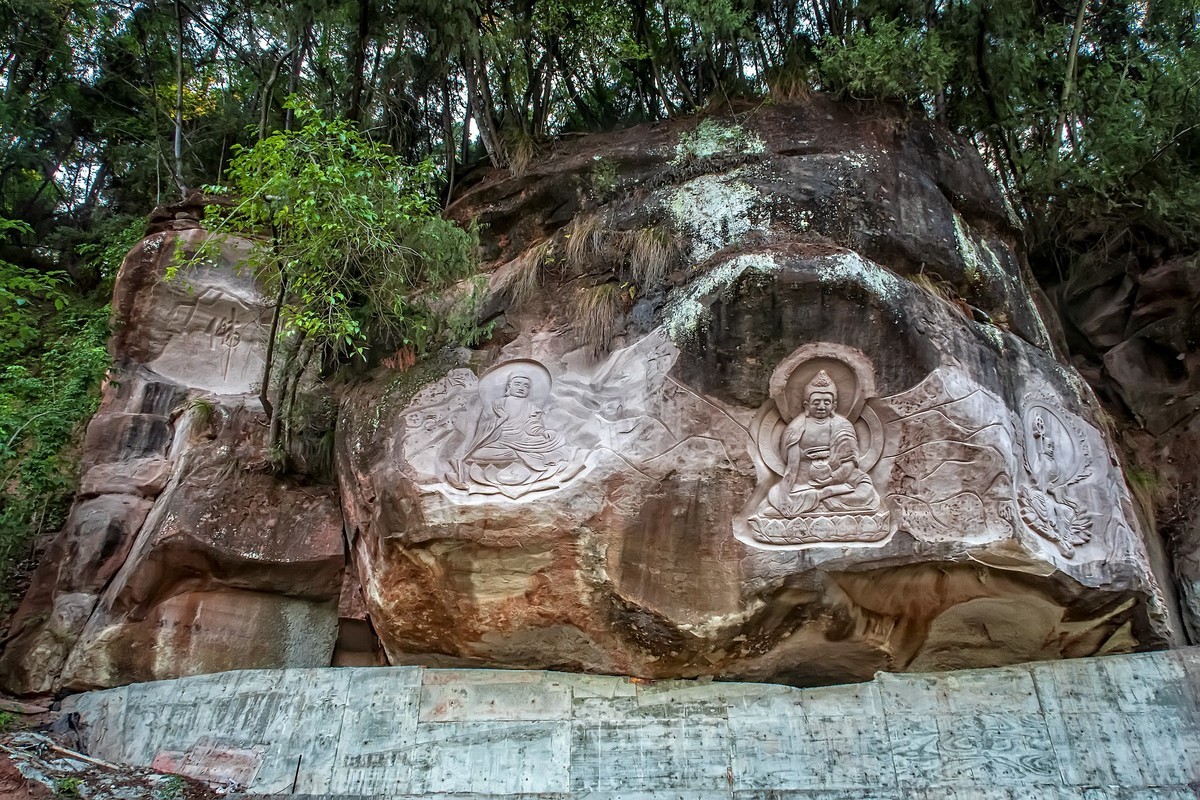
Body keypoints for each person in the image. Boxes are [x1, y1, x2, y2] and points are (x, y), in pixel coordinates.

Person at [766, 370, 879, 516]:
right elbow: (792, 468)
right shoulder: (797, 428)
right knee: (777, 494)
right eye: (816, 402)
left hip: (840, 478)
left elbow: (849, 463)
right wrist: (784, 496)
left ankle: (824, 497)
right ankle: (823, 497)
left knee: (866, 490)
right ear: (806, 405)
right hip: (804, 481)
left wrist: (831, 479)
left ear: (834, 405)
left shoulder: (842, 425)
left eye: (826, 402)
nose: (821, 406)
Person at [450, 372, 566, 487]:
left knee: (557, 438)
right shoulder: (496, 404)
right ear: (509, 386)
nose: (521, 388)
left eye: (526, 386)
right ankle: (522, 456)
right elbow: (482, 429)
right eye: (518, 384)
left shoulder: (530, 406)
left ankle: (523, 455)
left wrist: (544, 431)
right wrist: (502, 419)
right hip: (499, 442)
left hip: (525, 441)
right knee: (477, 454)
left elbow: (533, 425)